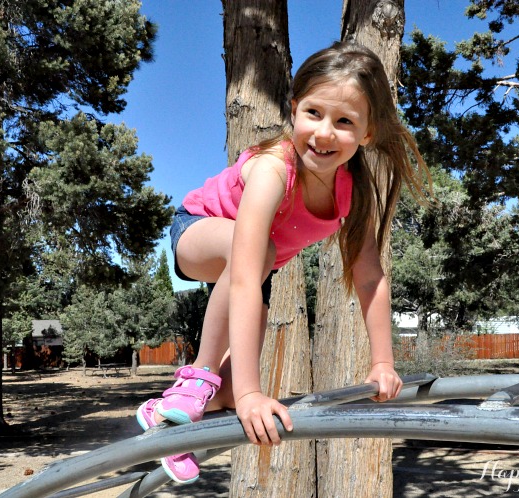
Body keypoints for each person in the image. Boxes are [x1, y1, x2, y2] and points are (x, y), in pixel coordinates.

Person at [136, 40, 432, 484]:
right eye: (313, 113)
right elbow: (243, 274)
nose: (325, 133)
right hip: (199, 232)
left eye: (345, 121)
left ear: (367, 133)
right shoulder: (274, 168)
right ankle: (194, 379)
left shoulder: (354, 191)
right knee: (255, 270)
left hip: (253, 272)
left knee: (233, 393)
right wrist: (257, 392)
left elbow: (369, 277)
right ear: (294, 109)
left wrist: (383, 362)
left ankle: (169, 417)